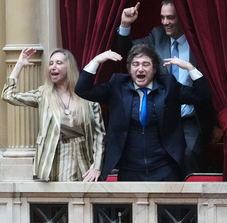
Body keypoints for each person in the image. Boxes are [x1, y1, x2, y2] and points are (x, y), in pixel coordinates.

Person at [78, 44, 211, 181]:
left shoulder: (168, 85)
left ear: (154, 69)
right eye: (135, 64)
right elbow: (82, 90)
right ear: (129, 69)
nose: (140, 68)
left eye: (146, 64)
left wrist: (190, 68)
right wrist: (96, 61)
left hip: (165, 167)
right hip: (129, 168)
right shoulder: (117, 86)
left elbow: (203, 96)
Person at [114, 0, 216, 175]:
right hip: (161, 116)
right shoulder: (157, 35)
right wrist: (125, 24)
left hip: (191, 117)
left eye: (170, 18)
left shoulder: (200, 41)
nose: (165, 22)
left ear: (182, 18)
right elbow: (129, 51)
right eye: (162, 17)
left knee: (189, 155)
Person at [1, 47, 106, 181]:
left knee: (83, 199)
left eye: (58, 63)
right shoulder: (43, 94)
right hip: (55, 157)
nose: (53, 67)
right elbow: (8, 96)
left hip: (84, 157)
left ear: (69, 67)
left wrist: (96, 166)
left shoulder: (86, 96)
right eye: (51, 63)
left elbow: (99, 136)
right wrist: (20, 64)